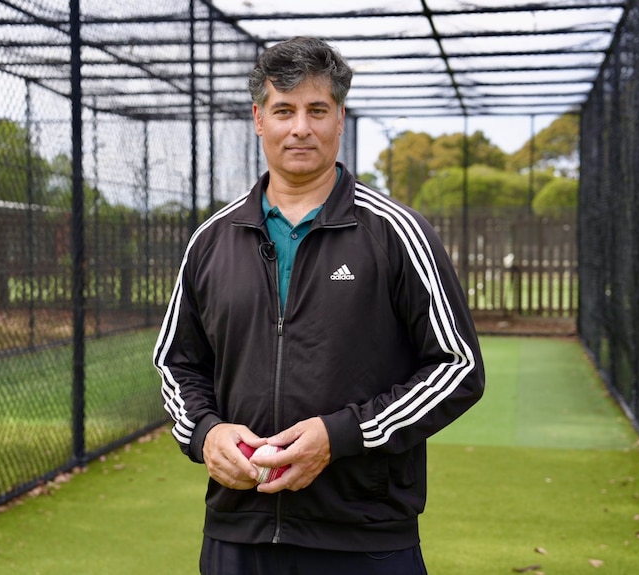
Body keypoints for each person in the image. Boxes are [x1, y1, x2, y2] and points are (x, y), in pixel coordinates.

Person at [154, 36, 485, 575]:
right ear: (259, 119)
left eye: (316, 110)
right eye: (283, 110)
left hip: (365, 536)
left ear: (339, 118)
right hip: (239, 530)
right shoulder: (211, 241)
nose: (300, 127)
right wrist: (206, 432)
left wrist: (342, 436)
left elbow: (458, 367)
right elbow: (178, 363)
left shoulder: (397, 233)